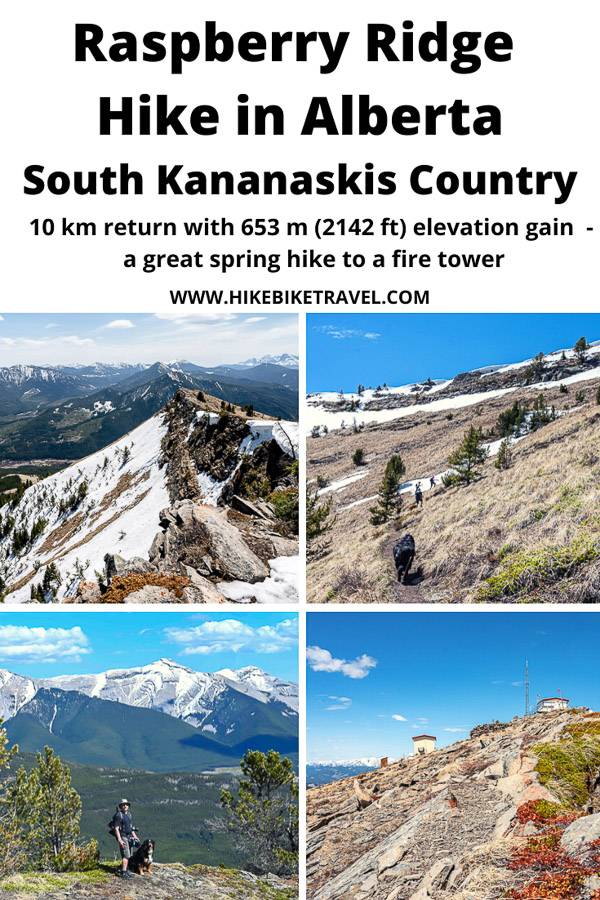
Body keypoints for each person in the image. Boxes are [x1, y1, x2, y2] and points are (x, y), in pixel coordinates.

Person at [111, 799, 140, 879]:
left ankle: (126, 870)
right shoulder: (119, 815)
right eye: (123, 805)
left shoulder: (129, 815)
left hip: (129, 836)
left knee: (129, 855)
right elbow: (116, 828)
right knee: (126, 855)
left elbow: (130, 828)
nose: (125, 806)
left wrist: (135, 836)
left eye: (126, 804)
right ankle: (123, 872)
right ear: (120, 806)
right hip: (123, 837)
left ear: (128, 806)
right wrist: (120, 840)